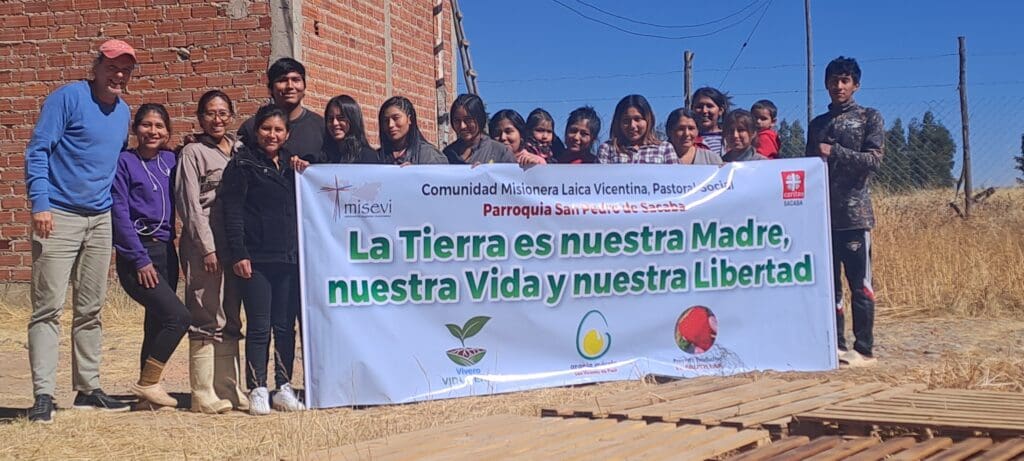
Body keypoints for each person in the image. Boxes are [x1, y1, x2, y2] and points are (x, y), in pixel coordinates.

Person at [24, 39, 137, 423]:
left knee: (91, 309)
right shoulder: (68, 98)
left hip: (99, 219)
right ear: (96, 67)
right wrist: (40, 204)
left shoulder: (123, 112)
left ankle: (88, 388)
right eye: (112, 66)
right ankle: (43, 394)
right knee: (48, 310)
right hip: (57, 215)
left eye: (125, 69)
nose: (118, 74)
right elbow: (38, 149)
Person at [221, 105, 306, 415]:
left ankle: (283, 386)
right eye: (266, 128)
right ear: (256, 131)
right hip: (255, 259)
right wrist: (239, 253)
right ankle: (257, 387)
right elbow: (232, 212)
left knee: (285, 327)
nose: (272, 135)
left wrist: (303, 168)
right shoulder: (242, 165)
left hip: (288, 258)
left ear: (287, 134)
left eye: (278, 130)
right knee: (259, 326)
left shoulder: (291, 166)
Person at [806, 56, 884, 368]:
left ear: (855, 85)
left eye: (845, 81)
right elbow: (810, 168)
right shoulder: (817, 124)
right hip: (823, 216)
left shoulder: (869, 117)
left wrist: (835, 151)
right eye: (834, 80)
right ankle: (835, 345)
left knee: (859, 283)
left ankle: (864, 349)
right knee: (829, 285)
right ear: (826, 84)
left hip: (855, 216)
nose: (839, 86)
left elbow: (875, 160)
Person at [111, 103, 189, 411]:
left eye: (159, 126)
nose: (152, 131)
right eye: (146, 125)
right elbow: (119, 213)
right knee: (179, 317)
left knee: (156, 323)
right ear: (135, 129)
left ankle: (146, 398)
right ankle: (148, 383)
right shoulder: (124, 163)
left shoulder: (171, 159)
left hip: (167, 251)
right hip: (138, 254)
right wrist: (139, 259)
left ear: (168, 132)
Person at [176, 90, 247, 414]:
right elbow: (190, 205)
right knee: (206, 313)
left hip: (235, 243)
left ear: (231, 116)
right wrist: (206, 247)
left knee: (231, 315)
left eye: (222, 113)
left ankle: (228, 387)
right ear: (200, 117)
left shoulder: (240, 150)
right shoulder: (192, 152)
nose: (216, 119)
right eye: (209, 113)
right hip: (205, 243)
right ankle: (202, 392)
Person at [237, 58, 324, 164]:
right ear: (270, 89)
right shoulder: (251, 127)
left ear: (304, 86)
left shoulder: (321, 126)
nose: (290, 86)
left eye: (296, 80)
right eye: (282, 80)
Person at [597, 94, 676, 164]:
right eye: (626, 120)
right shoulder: (607, 149)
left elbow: (674, 178)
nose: (632, 126)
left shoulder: (665, 149)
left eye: (637, 119)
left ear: (648, 120)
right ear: (618, 122)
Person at [443, 94, 516, 165]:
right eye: (457, 120)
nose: (462, 126)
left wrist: (484, 173)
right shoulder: (447, 155)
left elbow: (512, 176)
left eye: (468, 120)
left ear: (480, 119)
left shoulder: (500, 152)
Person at [378, 96, 448, 165]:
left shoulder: (429, 155)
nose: (390, 125)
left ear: (409, 119)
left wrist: (415, 173)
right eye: (385, 120)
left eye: (396, 118)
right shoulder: (377, 157)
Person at [691, 87, 732, 157]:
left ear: (721, 110)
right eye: (699, 107)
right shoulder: (688, 140)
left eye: (709, 106)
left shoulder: (732, 138)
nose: (704, 111)